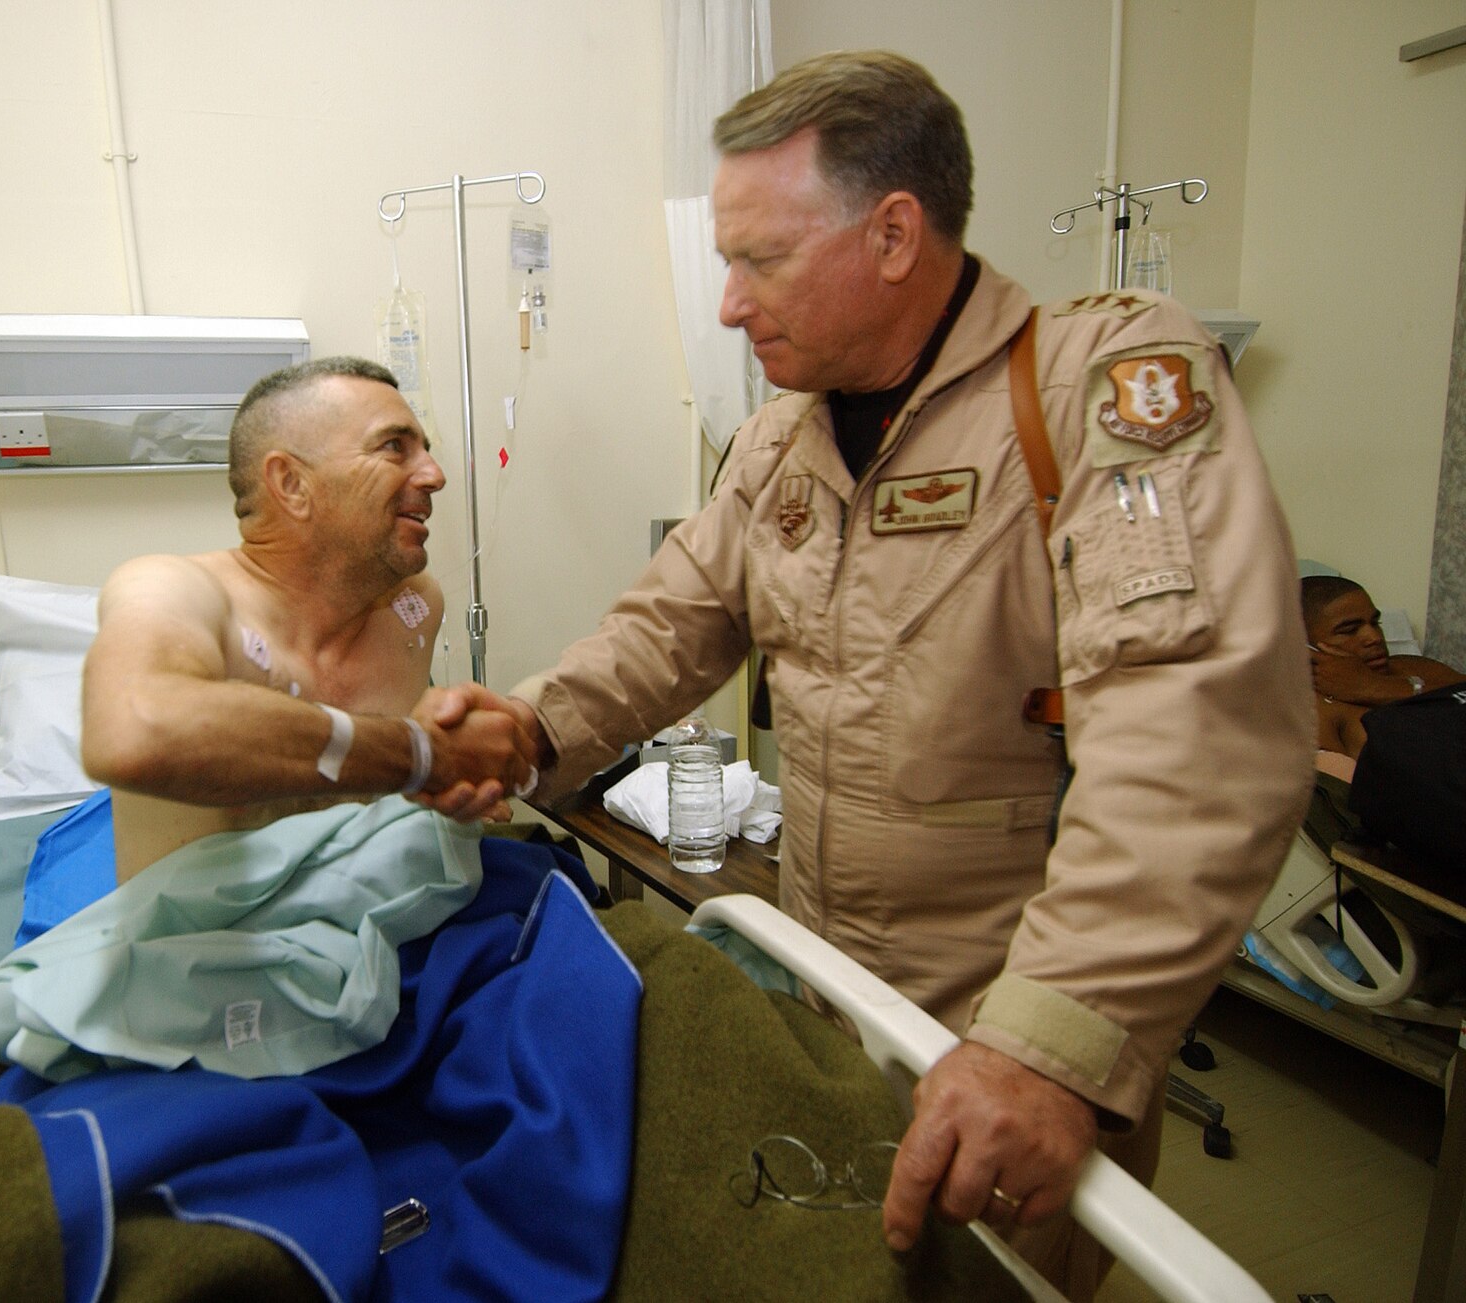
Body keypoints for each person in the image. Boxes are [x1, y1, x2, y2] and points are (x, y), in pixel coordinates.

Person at [432, 51, 1314, 1299]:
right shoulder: (781, 440)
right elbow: (669, 623)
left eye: (760, 259)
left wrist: (1047, 1051)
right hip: (829, 990)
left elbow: (1196, 731)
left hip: (1010, 1012)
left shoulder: (1087, 392)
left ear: (894, 233)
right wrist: (522, 730)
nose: (729, 304)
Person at [80, 355, 536, 882]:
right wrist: (422, 752)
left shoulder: (412, 610)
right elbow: (134, 729)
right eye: (394, 446)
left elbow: (368, 815)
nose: (435, 476)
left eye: (426, 452)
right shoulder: (170, 588)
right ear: (291, 483)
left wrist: (445, 794)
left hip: (377, 927)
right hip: (208, 948)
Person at [1304, 574, 1462, 759]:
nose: (1375, 638)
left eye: (1375, 623)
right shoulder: (1315, 710)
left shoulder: (1413, 667)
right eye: (1349, 630)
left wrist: (1377, 686)